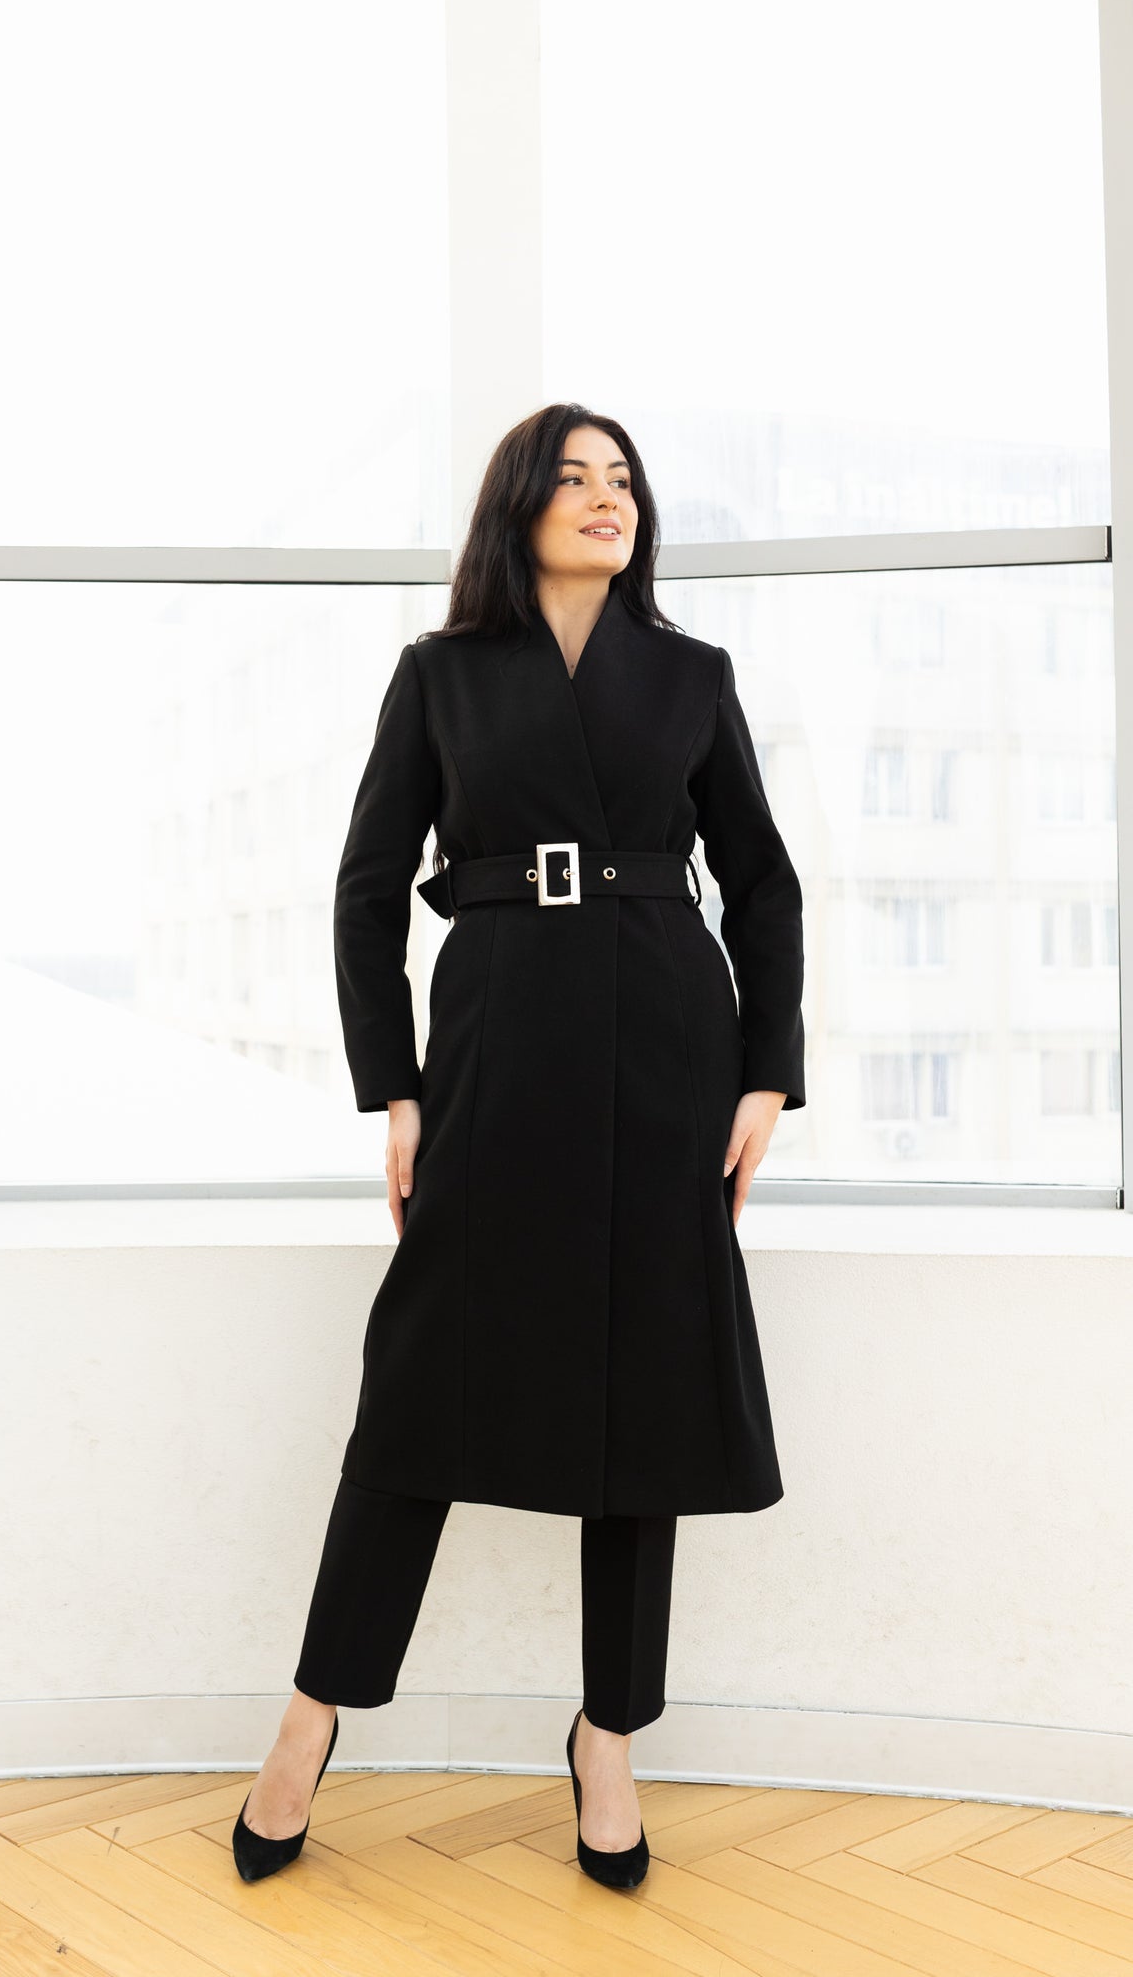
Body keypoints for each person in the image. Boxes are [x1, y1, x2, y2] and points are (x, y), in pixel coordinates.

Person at [232, 402, 806, 1891]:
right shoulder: (441, 676)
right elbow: (367, 891)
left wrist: (767, 1075)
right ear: (519, 505)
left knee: (647, 1396)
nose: (608, 499)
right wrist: (397, 1089)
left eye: (625, 480)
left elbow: (762, 880)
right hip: (494, 1040)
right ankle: (311, 1716)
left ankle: (609, 1738)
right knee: (419, 1385)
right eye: (575, 477)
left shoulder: (691, 674)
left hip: (669, 1049)